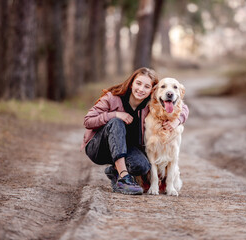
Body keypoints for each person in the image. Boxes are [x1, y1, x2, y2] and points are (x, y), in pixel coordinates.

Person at [81, 67, 189, 195]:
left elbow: (183, 107)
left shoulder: (149, 104)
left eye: (147, 86)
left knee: (142, 166)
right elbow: (88, 121)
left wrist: (177, 121)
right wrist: (115, 114)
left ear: (152, 91)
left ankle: (115, 171)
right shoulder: (112, 97)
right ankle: (124, 179)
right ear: (131, 83)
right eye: (138, 83)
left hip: (125, 148)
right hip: (99, 148)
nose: (141, 89)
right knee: (116, 123)